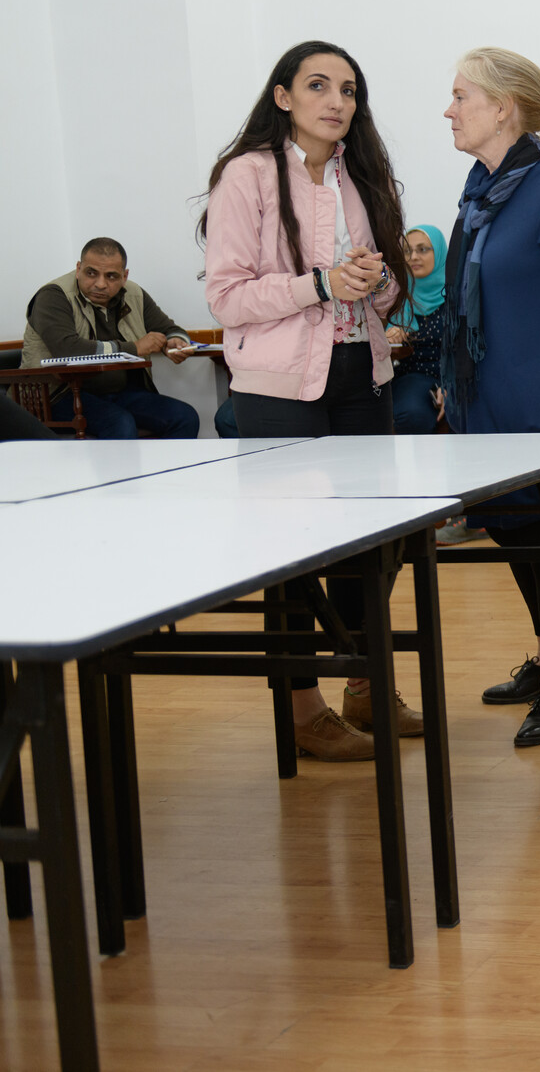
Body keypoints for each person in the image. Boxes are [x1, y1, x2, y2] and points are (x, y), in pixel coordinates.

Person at [201, 40, 418, 762]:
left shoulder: (364, 175)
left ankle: (364, 680)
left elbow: (387, 293)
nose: (338, 101)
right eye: (319, 85)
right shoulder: (248, 175)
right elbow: (226, 296)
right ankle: (303, 707)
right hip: (279, 388)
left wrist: (371, 276)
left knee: (373, 543)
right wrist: (320, 283)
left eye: (350, 89)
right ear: (283, 96)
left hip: (364, 372)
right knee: (288, 549)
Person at [441, 46, 540, 748]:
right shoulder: (480, 192)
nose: (448, 110)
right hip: (483, 399)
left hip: (534, 400)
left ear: (503, 108)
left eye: (459, 97)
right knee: (509, 531)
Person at [23, 238, 201, 439]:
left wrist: (175, 341)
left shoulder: (133, 293)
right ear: (78, 268)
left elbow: (170, 329)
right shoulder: (53, 295)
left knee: (185, 416)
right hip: (56, 396)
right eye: (91, 273)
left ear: (124, 276)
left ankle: (169, 471)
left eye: (111, 276)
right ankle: (127, 473)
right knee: (119, 422)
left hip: (118, 393)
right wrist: (134, 348)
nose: (100, 284)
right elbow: (68, 349)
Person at [386, 225, 448, 437]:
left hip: (455, 373)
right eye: (407, 251)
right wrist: (391, 336)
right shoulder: (398, 297)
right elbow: (386, 345)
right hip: (414, 375)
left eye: (422, 249)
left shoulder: (458, 296)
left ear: (439, 253)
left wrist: (451, 385)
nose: (413, 257)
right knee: (412, 415)